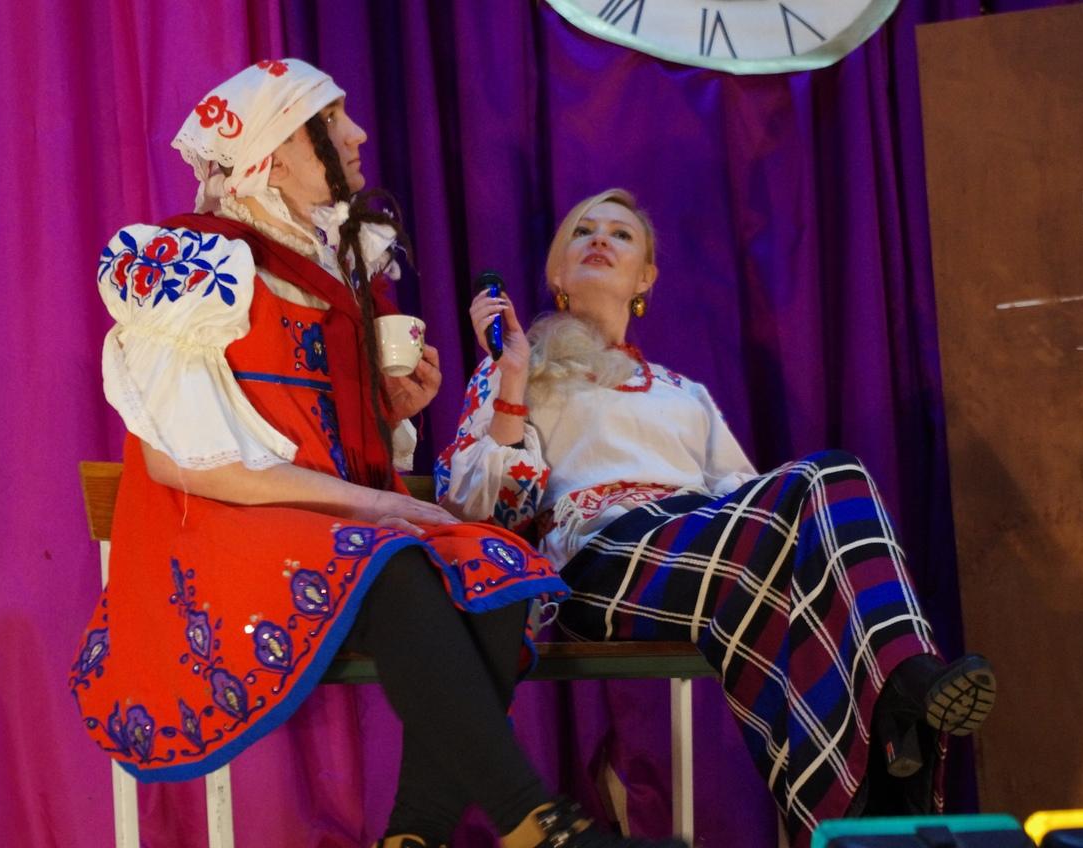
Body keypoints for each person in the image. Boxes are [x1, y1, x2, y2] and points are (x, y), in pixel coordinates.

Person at [68, 64, 691, 848]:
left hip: (320, 528)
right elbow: (182, 465)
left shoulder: (337, 272)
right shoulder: (197, 266)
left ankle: (413, 836)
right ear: (275, 156)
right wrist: (382, 503)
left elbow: (308, 430)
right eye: (331, 121)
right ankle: (540, 826)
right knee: (395, 560)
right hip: (219, 533)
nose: (358, 134)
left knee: (495, 567)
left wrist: (383, 410)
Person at [437, 188, 997, 846]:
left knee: (835, 481)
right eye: (584, 231)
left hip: (703, 550)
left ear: (645, 280)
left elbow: (748, 496)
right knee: (815, 510)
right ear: (556, 272)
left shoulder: (684, 393)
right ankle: (894, 713)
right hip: (599, 559)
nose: (601, 239)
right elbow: (478, 504)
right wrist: (510, 378)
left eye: (621, 235)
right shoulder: (521, 369)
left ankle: (895, 706)